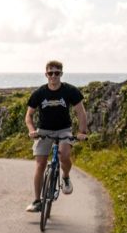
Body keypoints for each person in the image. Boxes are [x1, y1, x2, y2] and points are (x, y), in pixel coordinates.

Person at [24, 60, 89, 212]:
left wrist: (82, 132)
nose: (53, 76)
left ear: (61, 74)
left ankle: (65, 177)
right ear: (46, 74)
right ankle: (37, 201)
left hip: (63, 129)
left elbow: (81, 112)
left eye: (57, 73)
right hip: (44, 130)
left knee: (64, 155)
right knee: (40, 164)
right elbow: (29, 116)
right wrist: (31, 130)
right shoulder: (39, 93)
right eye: (50, 73)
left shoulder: (70, 91)